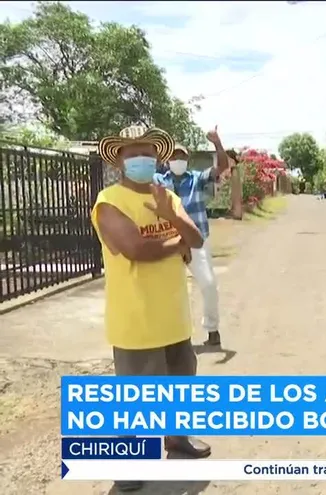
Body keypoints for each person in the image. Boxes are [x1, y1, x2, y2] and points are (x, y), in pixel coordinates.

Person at [92, 125, 211, 492]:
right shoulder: (109, 201)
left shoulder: (167, 197)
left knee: (179, 387)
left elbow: (196, 237)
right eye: (132, 154)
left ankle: (176, 440)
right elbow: (136, 251)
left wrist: (170, 218)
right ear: (119, 161)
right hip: (136, 319)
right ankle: (128, 468)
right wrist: (176, 242)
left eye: (146, 153)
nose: (140, 159)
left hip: (174, 316)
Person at [154, 126, 230, 347]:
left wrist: (217, 143)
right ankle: (167, 336)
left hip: (196, 241)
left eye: (182, 156)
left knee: (208, 284)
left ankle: (212, 330)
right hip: (168, 242)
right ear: (167, 160)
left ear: (187, 160)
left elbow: (223, 167)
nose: (178, 160)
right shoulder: (158, 180)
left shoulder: (197, 178)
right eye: (174, 156)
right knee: (163, 290)